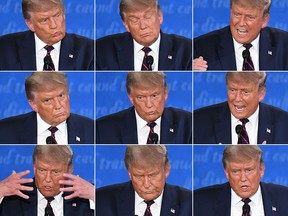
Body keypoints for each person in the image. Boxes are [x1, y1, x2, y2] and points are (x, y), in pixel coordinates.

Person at [96, 72, 192, 144]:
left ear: (165, 93)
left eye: (154, 96)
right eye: (141, 98)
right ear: (131, 98)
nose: (149, 105)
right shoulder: (104, 129)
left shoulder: (188, 123)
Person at [194, 72, 288, 144]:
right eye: (232, 90)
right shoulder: (198, 121)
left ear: (261, 94)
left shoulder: (284, 123)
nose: (237, 99)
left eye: (245, 92)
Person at [96, 145, 192, 216]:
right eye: (139, 176)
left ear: (166, 170)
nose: (146, 184)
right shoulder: (102, 200)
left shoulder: (189, 203)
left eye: (153, 175)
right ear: (129, 173)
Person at [96, 0, 192, 71]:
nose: (143, 26)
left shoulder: (186, 49)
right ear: (126, 25)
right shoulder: (102, 50)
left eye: (148, 16)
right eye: (134, 20)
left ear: (160, 17)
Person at [0, 72, 94, 144]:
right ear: (34, 105)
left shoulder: (91, 128)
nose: (58, 106)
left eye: (61, 96)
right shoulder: (5, 131)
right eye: (48, 100)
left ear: (68, 95)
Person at [193, 0, 288, 71]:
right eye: (237, 14)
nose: (241, 23)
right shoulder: (200, 47)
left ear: (264, 20)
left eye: (250, 17)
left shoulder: (284, 44)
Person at [0, 145, 94, 216]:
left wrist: (95, 196)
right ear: (34, 167)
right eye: (42, 170)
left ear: (69, 170)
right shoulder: (13, 197)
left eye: (55, 172)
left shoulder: (86, 197)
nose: (48, 179)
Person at [194, 145, 288, 216]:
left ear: (261, 170)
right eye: (236, 171)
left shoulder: (284, 198)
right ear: (227, 173)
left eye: (249, 170)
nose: (243, 178)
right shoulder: (199, 202)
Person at [0, 0, 94, 71]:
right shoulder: (4, 48)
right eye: (44, 20)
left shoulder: (89, 49)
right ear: (30, 24)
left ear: (64, 15)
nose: (54, 25)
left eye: (57, 16)